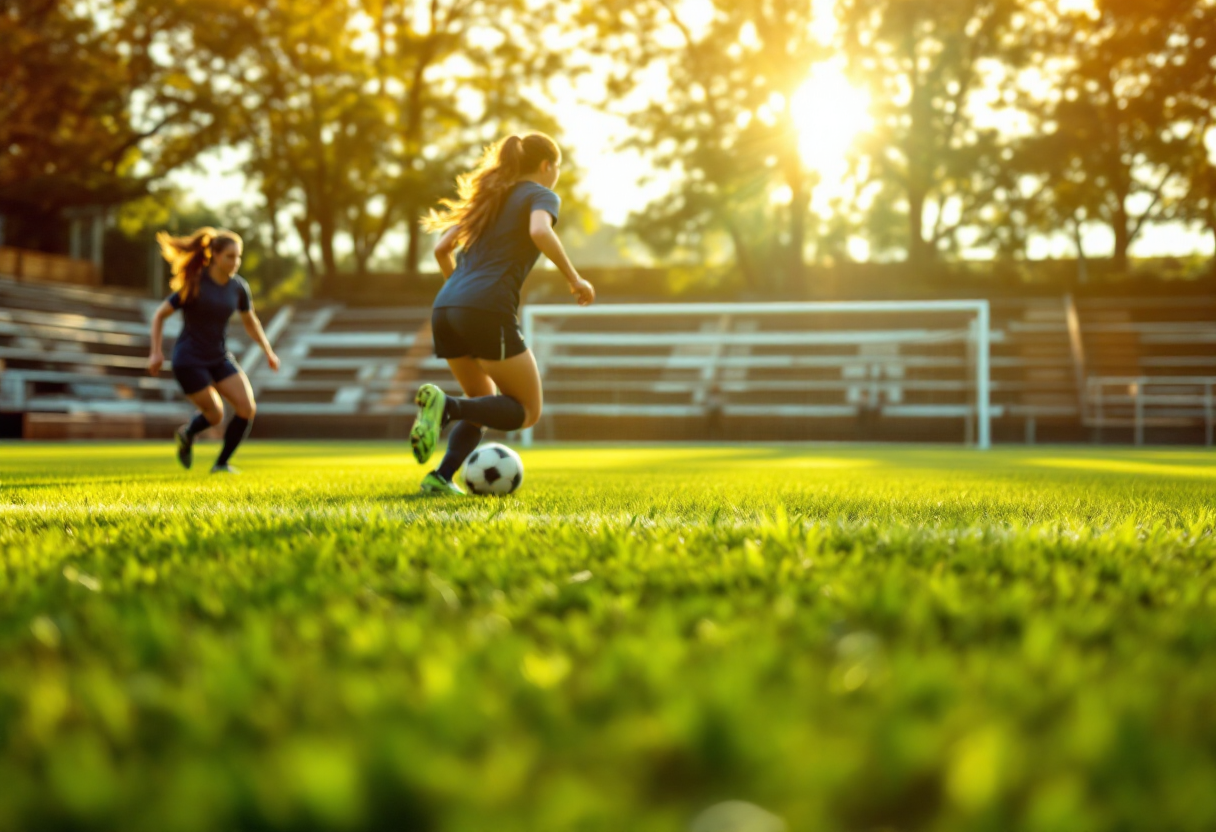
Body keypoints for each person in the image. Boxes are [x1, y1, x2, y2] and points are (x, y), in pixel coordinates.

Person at [409, 132, 595, 495]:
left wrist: (461, 294)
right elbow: (539, 229)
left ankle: (440, 478)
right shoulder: (541, 194)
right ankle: (446, 407)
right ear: (547, 166)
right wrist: (574, 279)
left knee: (483, 401)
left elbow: (442, 247)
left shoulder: (489, 198)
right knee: (527, 410)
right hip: (486, 307)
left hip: (446, 307)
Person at [147, 227, 280, 473]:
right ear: (215, 255)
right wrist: (155, 352)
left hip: (218, 356)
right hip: (189, 359)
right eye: (230, 256)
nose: (235, 262)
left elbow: (251, 322)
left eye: (238, 257)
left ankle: (221, 464)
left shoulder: (239, 287)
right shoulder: (195, 282)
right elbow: (160, 315)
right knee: (216, 414)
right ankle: (188, 434)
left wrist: (268, 351)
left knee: (246, 407)